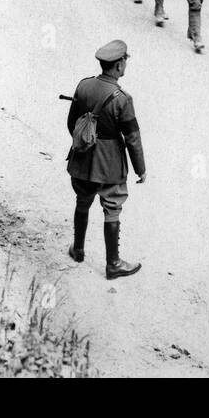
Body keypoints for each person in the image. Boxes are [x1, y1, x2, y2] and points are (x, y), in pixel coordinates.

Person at [65, 39, 146, 279]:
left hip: (82, 158)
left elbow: (72, 123)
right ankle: (113, 264)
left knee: (83, 200)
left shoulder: (84, 85)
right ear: (119, 65)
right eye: (125, 61)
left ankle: (78, 250)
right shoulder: (123, 98)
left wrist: (85, 142)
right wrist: (140, 168)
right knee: (112, 206)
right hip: (109, 163)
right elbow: (132, 138)